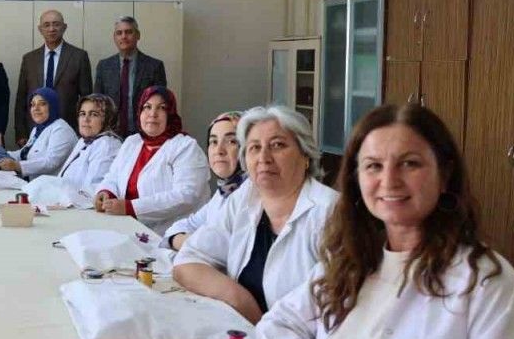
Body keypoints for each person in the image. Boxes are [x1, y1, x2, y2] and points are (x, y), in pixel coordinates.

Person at [256, 104, 514, 339]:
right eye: (373, 166)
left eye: (410, 163)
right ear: (357, 179)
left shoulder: (486, 283)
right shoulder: (349, 263)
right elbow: (278, 324)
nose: (389, 181)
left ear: (445, 175)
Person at [172, 106, 337, 322]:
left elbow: (334, 315)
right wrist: (240, 300)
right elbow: (187, 261)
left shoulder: (331, 213)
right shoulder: (246, 196)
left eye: (277, 145)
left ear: (305, 155)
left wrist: (262, 329)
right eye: (254, 147)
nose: (263, 158)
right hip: (247, 331)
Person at [93, 87, 208, 235]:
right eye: (147, 107)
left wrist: (131, 208)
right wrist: (106, 192)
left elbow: (185, 196)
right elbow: (113, 176)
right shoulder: (132, 142)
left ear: (170, 114)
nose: (152, 114)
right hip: (126, 226)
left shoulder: (186, 147)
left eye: (162, 108)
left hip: (170, 234)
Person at [164, 111, 248, 250]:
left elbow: (220, 249)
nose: (219, 150)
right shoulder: (223, 192)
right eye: (213, 142)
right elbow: (184, 226)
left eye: (232, 141)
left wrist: (183, 241)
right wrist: (179, 239)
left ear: (248, 148)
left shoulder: (252, 195)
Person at [13, 9, 92, 144]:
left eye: (56, 24)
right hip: (34, 130)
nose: (51, 29)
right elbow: (21, 98)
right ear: (40, 29)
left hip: (68, 130)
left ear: (64, 27)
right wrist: (21, 133)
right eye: (47, 25)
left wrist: (82, 132)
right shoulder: (29, 59)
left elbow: (87, 98)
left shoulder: (79, 57)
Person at [93, 16, 166, 138]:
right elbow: (97, 102)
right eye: (119, 33)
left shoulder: (154, 66)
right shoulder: (104, 66)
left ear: (138, 35)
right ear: (114, 37)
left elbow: (160, 104)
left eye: (128, 32)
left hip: (144, 132)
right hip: (110, 133)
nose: (124, 36)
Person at [50, 94, 124, 205]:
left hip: (85, 209)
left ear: (108, 118)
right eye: (82, 114)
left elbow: (94, 189)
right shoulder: (83, 141)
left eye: (94, 114)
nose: (86, 119)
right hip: (67, 204)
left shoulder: (107, 144)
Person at [0, 87, 76, 178]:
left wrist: (17, 166)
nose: (36, 108)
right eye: (33, 105)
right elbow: (23, 153)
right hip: (35, 182)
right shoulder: (38, 129)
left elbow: (51, 162)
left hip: (52, 184)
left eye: (42, 104)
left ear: (52, 106)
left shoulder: (61, 130)